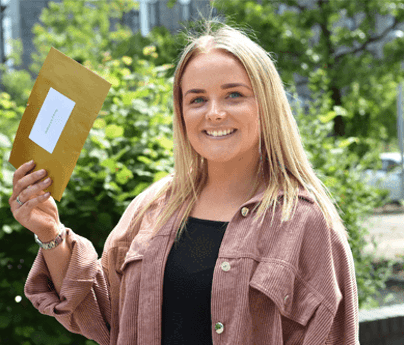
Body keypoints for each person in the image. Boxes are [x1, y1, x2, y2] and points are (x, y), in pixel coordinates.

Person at [9, 19, 360, 345]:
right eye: (197, 99)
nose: (214, 112)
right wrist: (50, 232)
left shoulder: (306, 223)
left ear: (266, 105)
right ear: (181, 112)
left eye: (234, 94)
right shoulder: (152, 207)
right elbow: (103, 317)